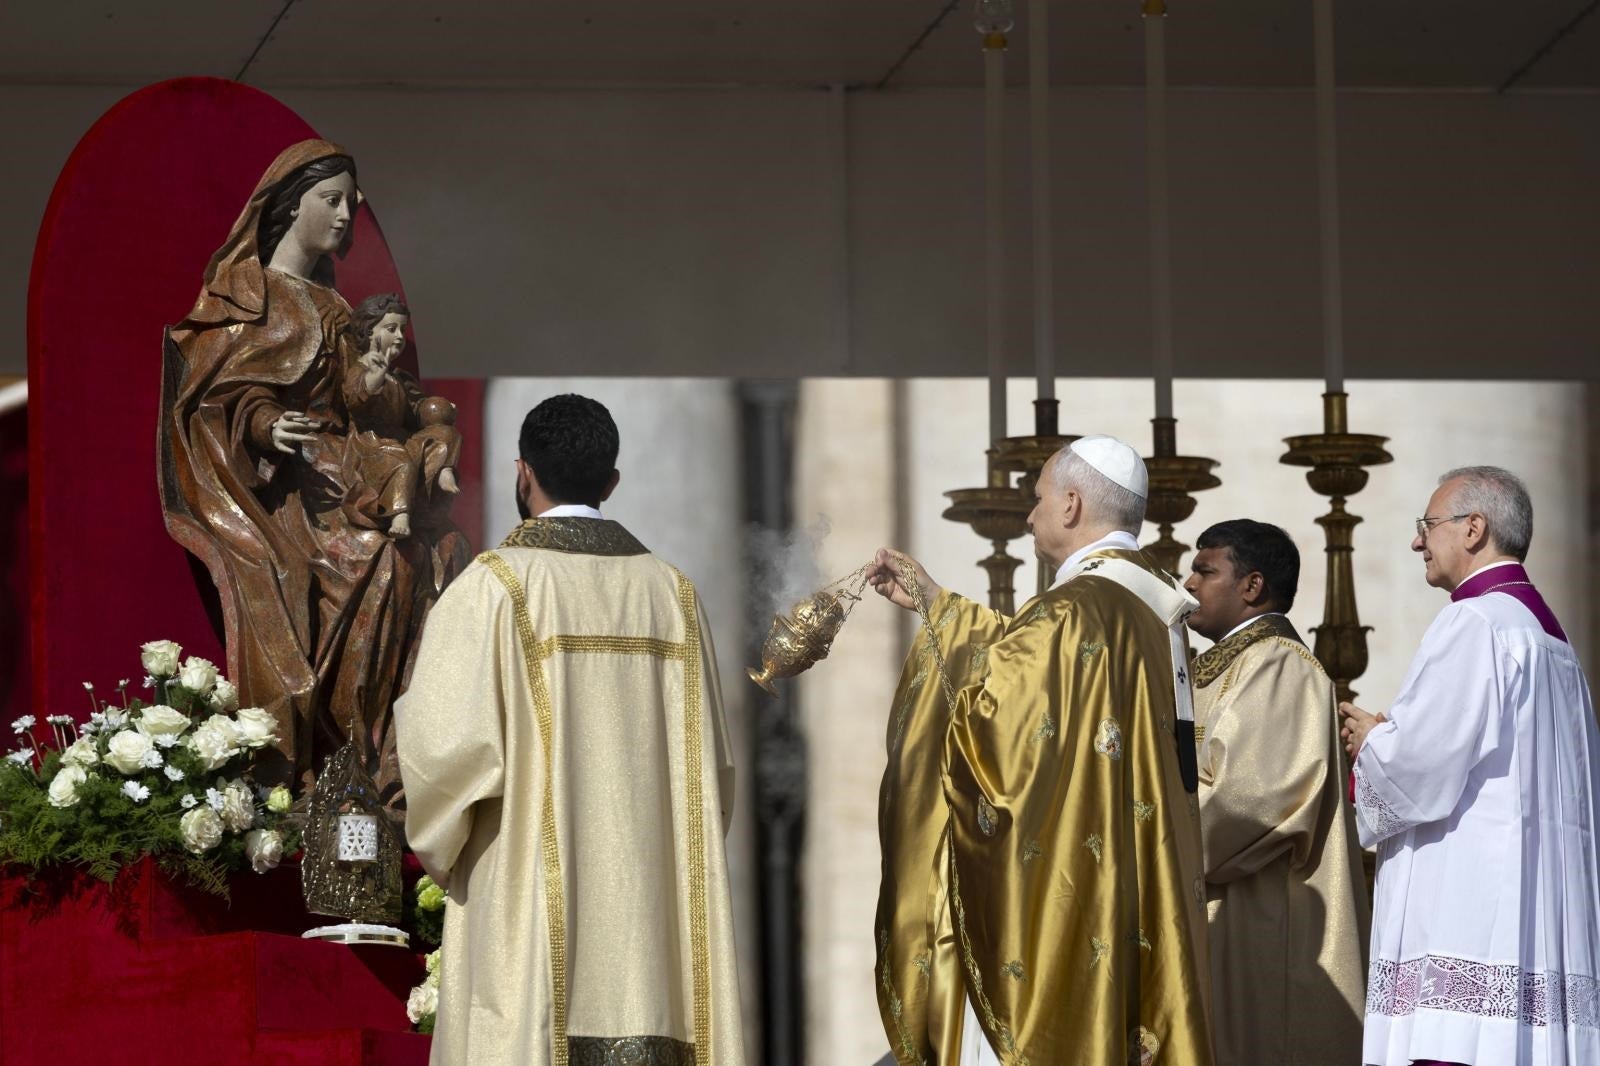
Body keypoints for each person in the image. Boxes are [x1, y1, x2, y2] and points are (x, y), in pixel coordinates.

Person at [394, 394, 746, 1066]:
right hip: (655, 937)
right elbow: (714, 777)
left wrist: (442, 847)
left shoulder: (493, 588)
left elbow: (443, 761)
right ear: (611, 483)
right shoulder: (673, 595)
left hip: (529, 918)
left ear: (521, 472)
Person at [868, 435, 1213, 1066]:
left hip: (1072, 886)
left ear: (1072, 505)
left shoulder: (1075, 607)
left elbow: (999, 718)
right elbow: (1040, 675)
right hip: (1137, 862)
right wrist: (938, 605)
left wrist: (940, 688)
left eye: (1038, 499)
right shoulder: (1149, 601)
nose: (1029, 516)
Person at [159, 140, 467, 802]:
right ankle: (331, 760)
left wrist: (417, 421)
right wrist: (266, 425)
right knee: (374, 557)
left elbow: (365, 398)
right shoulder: (247, 297)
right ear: (289, 205)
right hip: (284, 491)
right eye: (331, 201)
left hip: (348, 471)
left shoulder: (337, 308)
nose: (345, 216)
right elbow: (215, 399)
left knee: (432, 551)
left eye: (350, 204)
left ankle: (373, 758)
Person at [1339, 466, 1600, 1066]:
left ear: (1474, 528)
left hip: (1469, 913)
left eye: (1427, 525)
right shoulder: (1552, 640)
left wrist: (1372, 740)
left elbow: (1420, 769)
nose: (1417, 541)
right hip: (1536, 910)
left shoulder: (1476, 621)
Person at [1183, 519, 1368, 1065]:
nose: (1188, 584)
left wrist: (1145, 837)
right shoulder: (1219, 666)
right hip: (1216, 910)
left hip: (1260, 918)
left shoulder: (1279, 666)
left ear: (1252, 586)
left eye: (1204, 570)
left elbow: (1246, 804)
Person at [327, 293, 461, 539]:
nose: (399, 336)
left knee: (444, 432)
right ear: (369, 332)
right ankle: (400, 515)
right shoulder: (362, 369)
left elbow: (414, 412)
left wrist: (438, 408)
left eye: (402, 329)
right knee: (402, 461)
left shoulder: (398, 377)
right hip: (371, 443)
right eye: (391, 329)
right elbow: (356, 399)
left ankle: (444, 470)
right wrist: (376, 376)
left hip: (400, 439)